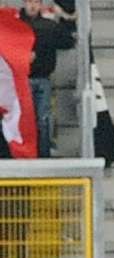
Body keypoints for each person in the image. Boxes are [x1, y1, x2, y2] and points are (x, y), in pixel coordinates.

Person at [19, 0, 75, 158]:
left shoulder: (49, 26)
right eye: (30, 1)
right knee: (25, 120)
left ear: (40, 4)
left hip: (41, 78)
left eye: (35, 2)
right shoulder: (17, 24)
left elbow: (67, 41)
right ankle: (28, 155)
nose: (32, 6)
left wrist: (63, 18)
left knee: (43, 120)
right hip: (22, 80)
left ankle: (42, 156)